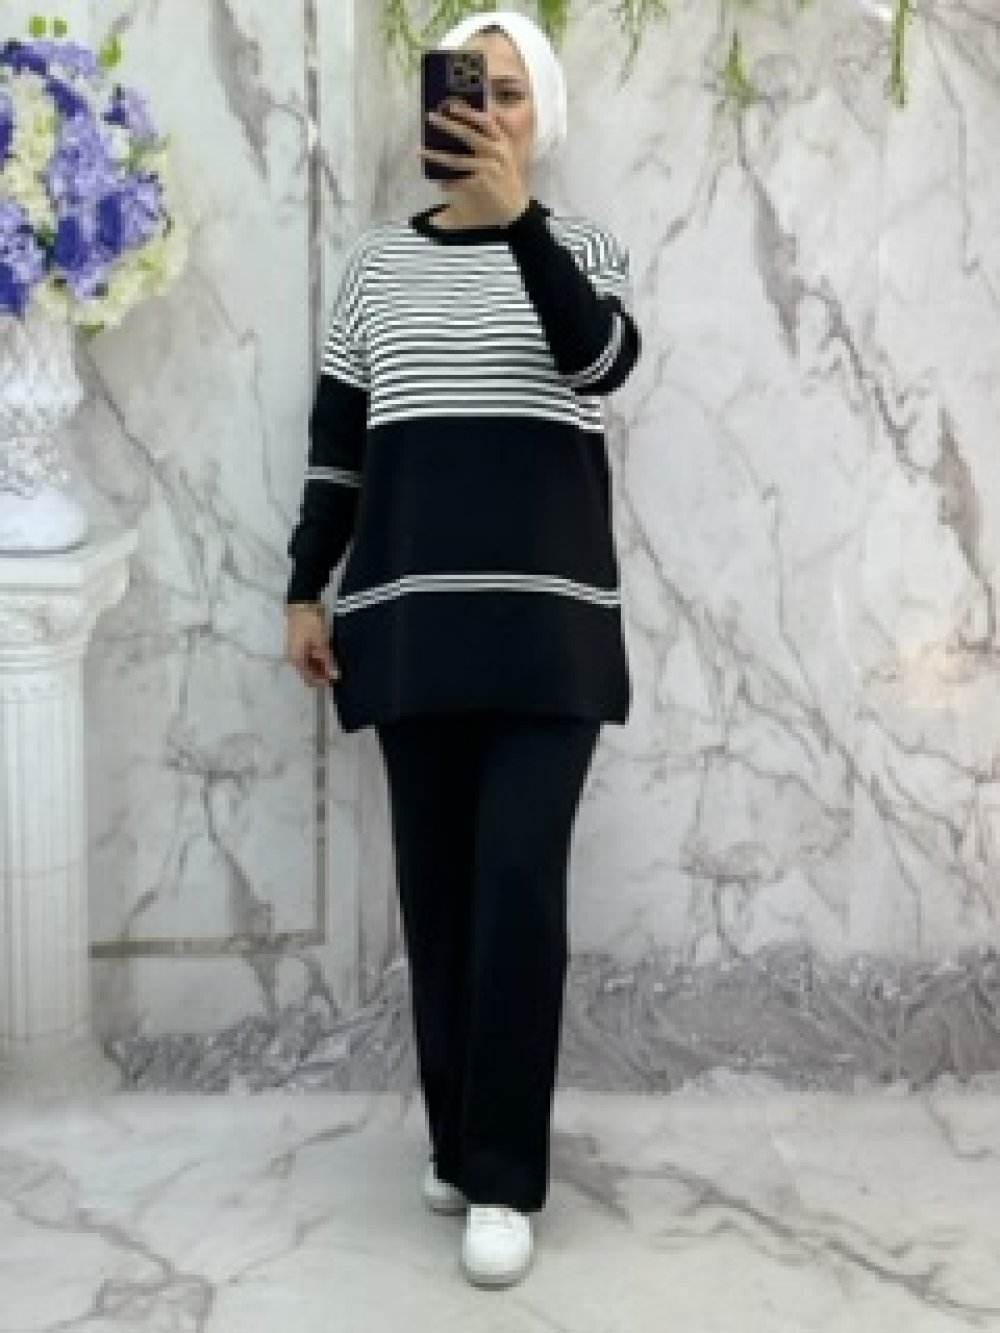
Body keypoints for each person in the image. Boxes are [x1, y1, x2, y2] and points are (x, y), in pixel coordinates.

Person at [284, 10, 641, 1289]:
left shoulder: (579, 249)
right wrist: (305, 588)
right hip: (411, 628)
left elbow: (600, 365)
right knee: (437, 900)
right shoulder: (375, 266)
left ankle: (503, 1176)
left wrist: (519, 223)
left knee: (514, 892)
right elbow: (338, 446)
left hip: (549, 634)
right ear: (431, 106)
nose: (485, 109)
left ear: (542, 115)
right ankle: (456, 1142)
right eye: (465, 87)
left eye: (509, 91)